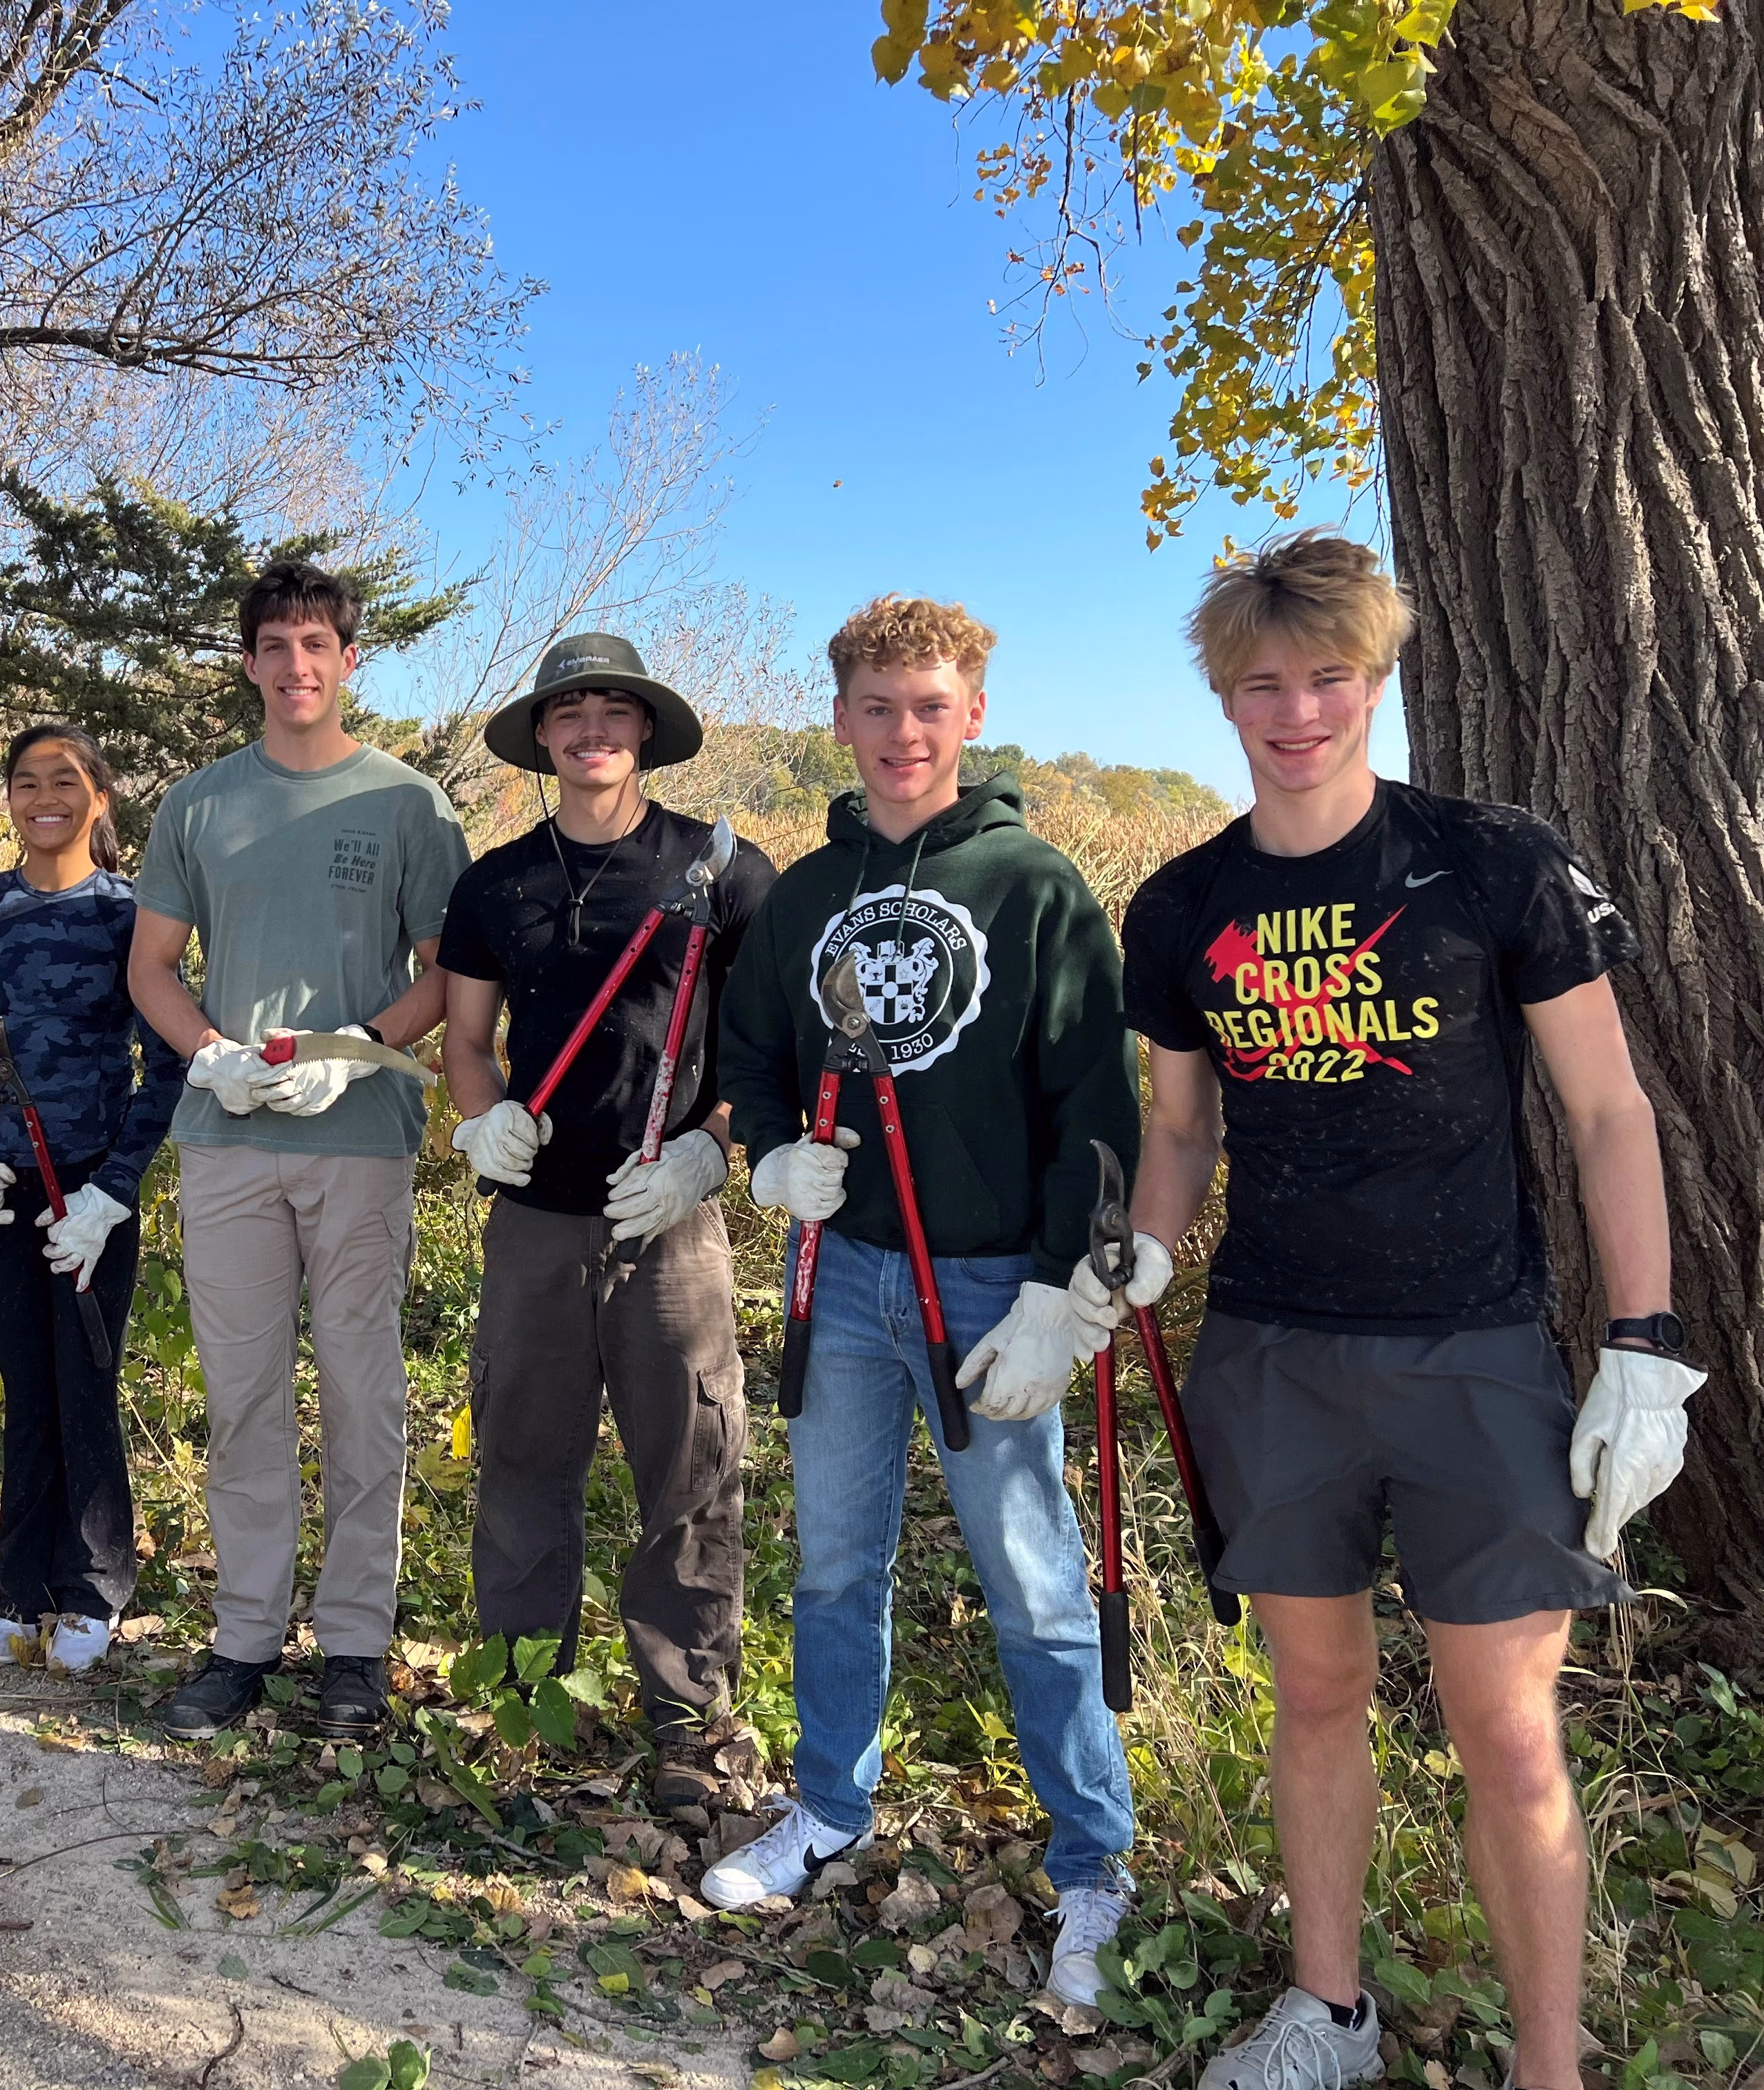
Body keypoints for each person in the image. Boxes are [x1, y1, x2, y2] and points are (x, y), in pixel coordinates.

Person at [1098, 531, 1697, 2090]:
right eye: (1263, 685)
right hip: (1274, 1349)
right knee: (1318, 1692)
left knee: (1508, 1734)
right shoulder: (1178, 908)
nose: (1298, 712)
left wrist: (1642, 1346)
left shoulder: (1491, 860)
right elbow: (1177, 1130)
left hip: (1476, 1347)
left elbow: (1611, 1110)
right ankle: (1330, 2012)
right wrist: (1142, 1264)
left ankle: (1549, 2067)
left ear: (1380, 679)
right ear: (1224, 697)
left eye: (1331, 679)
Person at [709, 595, 1139, 2005]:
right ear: (840, 717)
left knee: (1031, 1577)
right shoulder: (807, 901)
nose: (904, 733)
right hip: (842, 1278)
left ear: (974, 717)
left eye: (931, 706)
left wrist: (1063, 1287)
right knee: (835, 1562)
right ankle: (830, 1808)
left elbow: (1094, 1097)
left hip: (986, 1284)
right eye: (879, 706)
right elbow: (754, 1047)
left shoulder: (1036, 885)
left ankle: (1094, 1867)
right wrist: (768, 1153)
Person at [129, 558, 472, 1744]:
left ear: (348, 658)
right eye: (274, 643)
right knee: (243, 1397)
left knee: (365, 1394)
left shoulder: (407, 802)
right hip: (227, 1137)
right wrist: (209, 1053)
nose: (296, 664)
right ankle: (243, 1636)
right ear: (247, 661)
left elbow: (448, 970)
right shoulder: (201, 802)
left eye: (316, 642)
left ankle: (357, 1644)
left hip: (360, 1136)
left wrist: (361, 1044)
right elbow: (150, 965)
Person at [435, 632, 775, 1814]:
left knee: (688, 1463)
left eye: (612, 710)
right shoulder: (495, 883)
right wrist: (480, 1123)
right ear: (542, 734)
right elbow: (467, 1046)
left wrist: (709, 1149)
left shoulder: (722, 871)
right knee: (523, 1459)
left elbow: (769, 1054)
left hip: (667, 1224)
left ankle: (686, 1715)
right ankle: (527, 1695)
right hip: (535, 1217)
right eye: (568, 710)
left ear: (644, 732)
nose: (590, 728)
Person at [0, 724, 184, 1675]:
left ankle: (94, 1585)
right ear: (8, 797)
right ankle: (22, 1583)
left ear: (100, 798)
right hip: (1, 1185)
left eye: (65, 781)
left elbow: (167, 1066)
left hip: (89, 1192)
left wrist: (115, 1191)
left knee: (86, 1385)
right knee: (23, 1385)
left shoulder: (131, 914)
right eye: (26, 781)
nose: (45, 796)